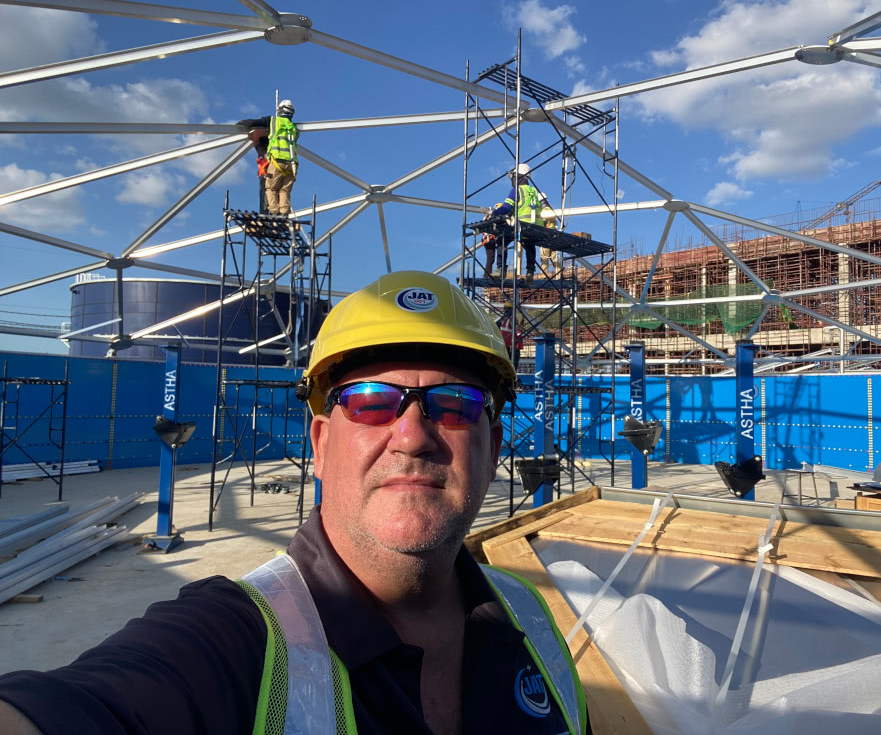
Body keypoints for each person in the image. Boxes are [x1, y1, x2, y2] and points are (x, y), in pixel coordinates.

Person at [0, 270, 589, 735]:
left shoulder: (532, 619)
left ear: (493, 450)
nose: (412, 435)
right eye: (369, 401)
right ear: (321, 442)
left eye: (455, 403)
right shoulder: (240, 643)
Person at [489, 163, 555, 281]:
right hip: (535, 227)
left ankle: (501, 270)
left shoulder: (517, 190)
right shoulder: (534, 191)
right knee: (529, 244)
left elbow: (506, 207)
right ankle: (530, 271)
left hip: (522, 224)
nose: (512, 180)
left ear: (519, 177)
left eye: (513, 177)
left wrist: (493, 214)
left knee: (501, 240)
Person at [239, 99, 299, 216]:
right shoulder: (294, 129)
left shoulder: (273, 121)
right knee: (284, 190)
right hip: (292, 165)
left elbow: (253, 123)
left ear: (280, 110)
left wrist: (241, 123)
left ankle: (274, 213)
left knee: (271, 188)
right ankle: (284, 213)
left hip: (277, 162)